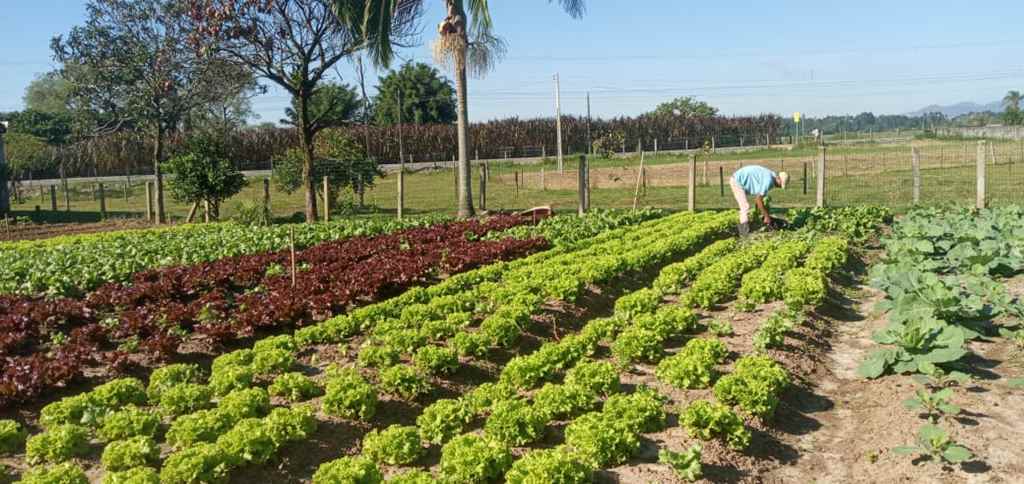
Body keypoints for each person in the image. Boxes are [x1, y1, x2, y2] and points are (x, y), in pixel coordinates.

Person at [729, 165, 789, 236]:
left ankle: (752, 223)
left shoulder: (772, 176)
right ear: (778, 178)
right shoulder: (768, 180)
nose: (779, 187)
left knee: (756, 204)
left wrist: (764, 213)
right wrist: (766, 216)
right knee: (745, 207)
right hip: (737, 181)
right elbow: (758, 199)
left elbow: (759, 197)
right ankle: (744, 233)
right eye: (780, 184)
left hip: (741, 179)